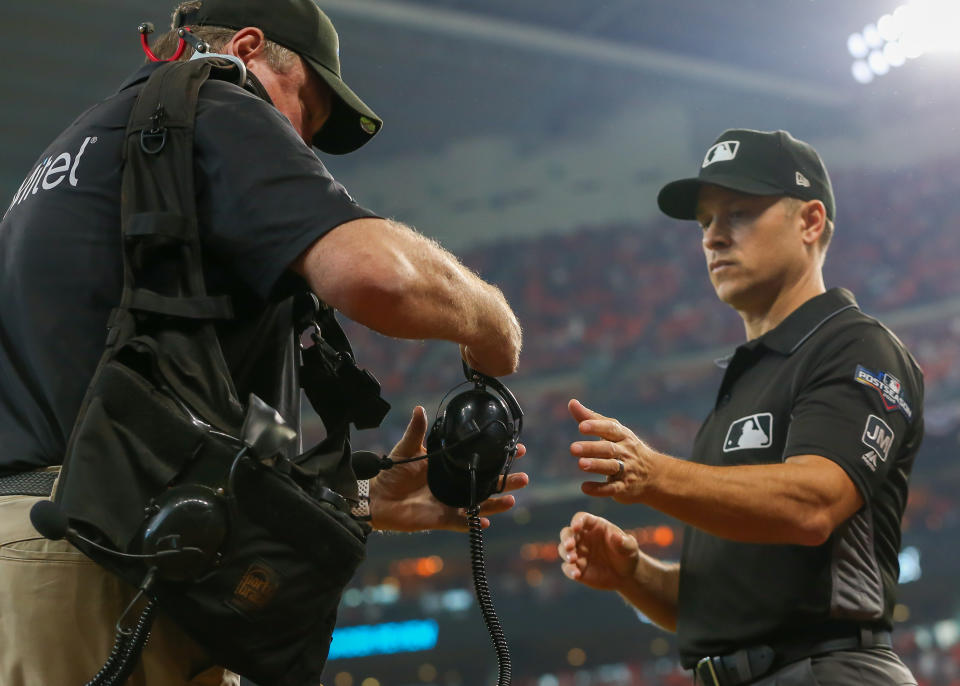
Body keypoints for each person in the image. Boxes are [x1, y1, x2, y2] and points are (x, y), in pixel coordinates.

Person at [0, 1, 526, 685]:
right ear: (247, 48)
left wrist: (362, 502)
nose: (298, 146)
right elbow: (377, 277)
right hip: (100, 563)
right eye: (304, 112)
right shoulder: (217, 101)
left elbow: (140, 404)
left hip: (53, 549)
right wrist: (494, 323)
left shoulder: (73, 154)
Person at [558, 129, 923, 686]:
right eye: (706, 221)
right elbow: (726, 607)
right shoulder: (745, 380)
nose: (713, 237)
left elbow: (812, 505)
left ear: (810, 222)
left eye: (739, 213)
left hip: (828, 671)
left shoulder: (853, 345)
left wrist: (653, 474)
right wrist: (632, 574)